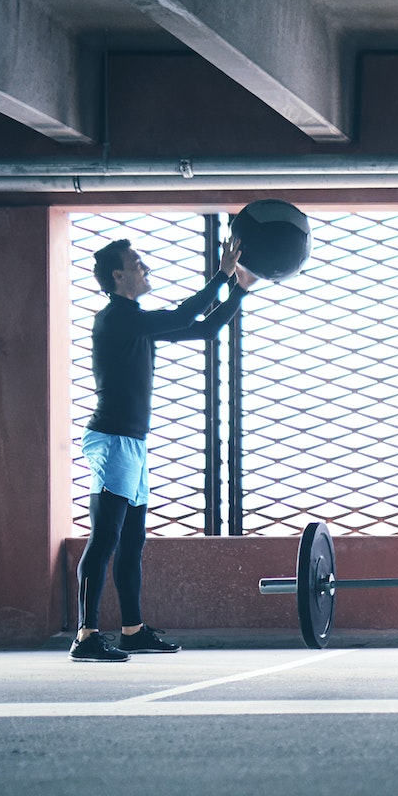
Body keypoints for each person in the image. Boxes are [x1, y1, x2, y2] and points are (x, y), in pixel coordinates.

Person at [71, 236, 254, 662]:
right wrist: (223, 276)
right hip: (112, 440)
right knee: (105, 539)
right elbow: (184, 313)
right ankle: (85, 635)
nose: (145, 269)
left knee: (131, 541)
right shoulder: (115, 318)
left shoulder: (133, 322)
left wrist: (239, 290)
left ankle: (132, 630)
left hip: (132, 444)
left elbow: (204, 328)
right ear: (119, 276)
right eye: (137, 263)